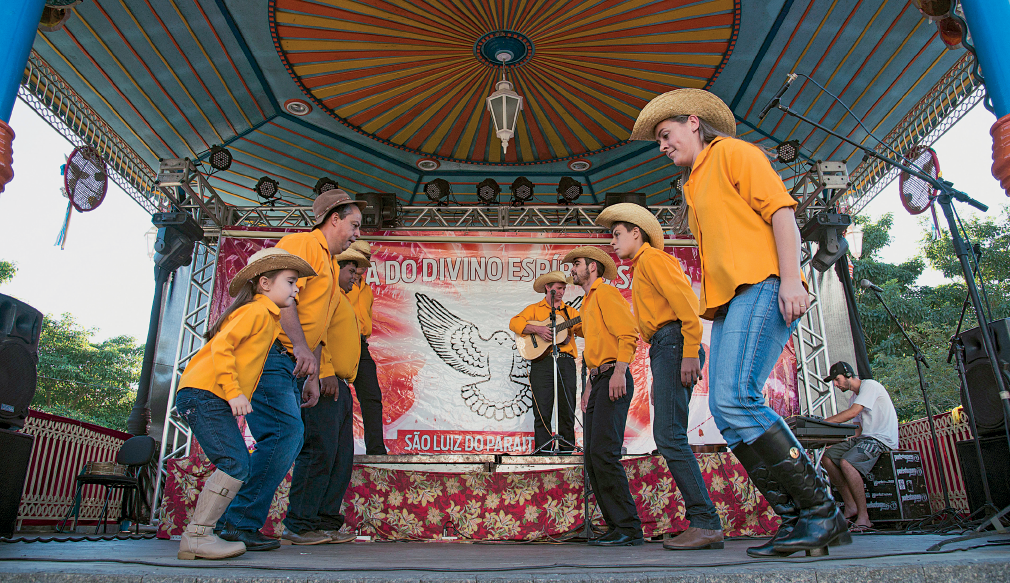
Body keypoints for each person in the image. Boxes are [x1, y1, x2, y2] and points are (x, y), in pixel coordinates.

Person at [629, 88, 849, 557]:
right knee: (729, 415)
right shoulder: (692, 183)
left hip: (763, 284)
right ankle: (796, 519)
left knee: (737, 399)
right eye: (658, 141)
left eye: (666, 135)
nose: (662, 146)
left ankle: (821, 513)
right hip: (730, 301)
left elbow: (782, 212)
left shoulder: (731, 152)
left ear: (694, 122)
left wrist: (792, 279)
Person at [218, 189, 364, 550]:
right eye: (354, 224)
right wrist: (299, 347)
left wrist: (312, 373)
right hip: (268, 351)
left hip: (289, 363)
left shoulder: (330, 264)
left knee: (289, 437)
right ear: (334, 219)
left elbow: (316, 325)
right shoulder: (301, 243)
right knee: (285, 435)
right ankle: (236, 522)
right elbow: (279, 297)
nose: (358, 233)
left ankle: (241, 523)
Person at [597, 203, 724, 550]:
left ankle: (705, 521)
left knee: (669, 437)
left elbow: (687, 307)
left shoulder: (653, 260)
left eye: (617, 234)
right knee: (668, 435)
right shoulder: (643, 267)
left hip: (673, 343)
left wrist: (687, 352)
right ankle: (704, 521)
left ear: (637, 232)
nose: (613, 242)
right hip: (663, 349)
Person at [175, 248, 315, 560]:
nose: (296, 289)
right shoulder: (254, 312)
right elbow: (222, 347)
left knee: (236, 462)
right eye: (291, 282)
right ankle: (198, 535)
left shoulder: (267, 317)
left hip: (208, 396)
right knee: (236, 462)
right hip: (203, 394)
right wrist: (234, 391)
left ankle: (201, 535)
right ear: (264, 283)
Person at [283, 248, 368, 544]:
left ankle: (325, 522)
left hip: (342, 386)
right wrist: (323, 371)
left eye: (358, 274)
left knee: (340, 458)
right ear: (336, 270)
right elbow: (316, 334)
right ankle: (299, 524)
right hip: (324, 381)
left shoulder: (345, 299)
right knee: (319, 452)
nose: (355, 279)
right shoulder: (327, 296)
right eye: (350, 272)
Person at [564, 246, 643, 547]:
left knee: (604, 453)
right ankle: (616, 526)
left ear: (593, 268)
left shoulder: (607, 294)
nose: (573, 269)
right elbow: (592, 348)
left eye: (577, 264)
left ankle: (629, 529)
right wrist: (587, 385)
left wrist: (620, 372)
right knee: (593, 457)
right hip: (598, 379)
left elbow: (628, 333)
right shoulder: (587, 302)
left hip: (614, 377)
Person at [822, 361, 899, 532]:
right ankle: (850, 506)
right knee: (827, 457)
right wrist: (835, 442)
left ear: (848, 375)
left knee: (847, 463)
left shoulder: (869, 386)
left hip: (881, 439)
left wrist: (822, 423)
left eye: (837, 379)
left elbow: (852, 413)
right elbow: (857, 432)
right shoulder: (853, 398)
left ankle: (864, 517)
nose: (835, 384)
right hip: (865, 437)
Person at [509, 270, 581, 453]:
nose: (562, 292)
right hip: (542, 363)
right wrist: (537, 329)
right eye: (558, 288)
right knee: (542, 408)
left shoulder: (570, 311)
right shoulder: (534, 309)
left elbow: (584, 329)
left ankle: (566, 450)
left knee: (567, 407)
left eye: (564, 289)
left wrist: (571, 332)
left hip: (565, 362)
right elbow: (514, 323)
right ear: (548, 288)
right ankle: (543, 451)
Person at [346, 239, 387, 455]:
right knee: (337, 398)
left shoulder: (367, 289)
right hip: (340, 342)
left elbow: (366, 320)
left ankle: (376, 450)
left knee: (372, 396)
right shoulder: (340, 283)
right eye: (361, 256)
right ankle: (338, 449)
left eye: (367, 257)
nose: (365, 261)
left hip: (360, 344)